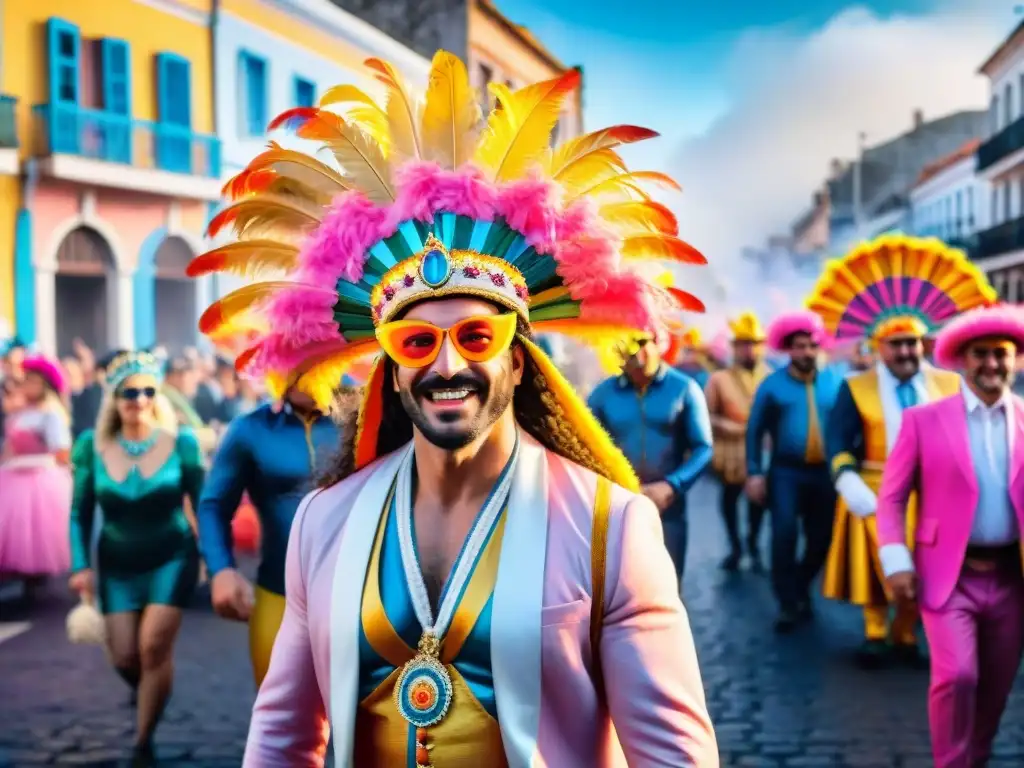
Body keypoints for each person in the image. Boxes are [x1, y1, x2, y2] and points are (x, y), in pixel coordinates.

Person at [192, 51, 719, 766]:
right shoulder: (325, 521)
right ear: (390, 361)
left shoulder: (613, 528)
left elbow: (675, 758)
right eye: (416, 341)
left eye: (476, 336)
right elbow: (282, 738)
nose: (447, 365)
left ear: (517, 353)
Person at [807, 234, 994, 668]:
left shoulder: (949, 383)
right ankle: (875, 632)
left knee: (928, 567)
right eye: (897, 344)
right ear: (878, 347)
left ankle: (906, 634)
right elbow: (839, 442)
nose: (907, 351)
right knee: (874, 567)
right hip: (874, 487)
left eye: (913, 343)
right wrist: (847, 479)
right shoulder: (856, 387)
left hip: (934, 492)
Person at [877, 304, 1024, 767]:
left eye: (1001, 354)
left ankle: (975, 755)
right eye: (980, 353)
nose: (992, 364)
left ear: (1015, 358)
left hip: (1011, 578)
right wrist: (897, 559)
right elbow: (892, 497)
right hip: (948, 576)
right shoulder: (924, 420)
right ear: (962, 358)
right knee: (958, 676)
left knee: (998, 684)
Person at [67, 351, 205, 766]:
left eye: (148, 390)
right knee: (127, 655)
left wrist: (217, 563)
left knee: (153, 646)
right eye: (130, 392)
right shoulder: (93, 447)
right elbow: (79, 512)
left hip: (172, 556)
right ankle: (154, 684)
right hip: (117, 567)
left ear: (157, 395)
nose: (139, 399)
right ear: (115, 397)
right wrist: (80, 566)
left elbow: (205, 506)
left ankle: (142, 743)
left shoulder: (181, 443)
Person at [196, 385, 339, 686]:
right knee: (281, 719)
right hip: (278, 595)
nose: (303, 369)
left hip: (360, 597)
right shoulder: (250, 429)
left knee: (360, 719)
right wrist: (221, 569)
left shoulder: (368, 412)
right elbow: (214, 505)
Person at [588, 332, 713, 584]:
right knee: (617, 589)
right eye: (627, 343)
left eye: (642, 342)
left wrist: (672, 485)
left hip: (668, 506)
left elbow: (703, 448)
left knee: (668, 586)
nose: (635, 352)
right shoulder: (602, 394)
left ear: (660, 344)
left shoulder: (684, 388)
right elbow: (582, 446)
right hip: (616, 505)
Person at [745, 311, 842, 632]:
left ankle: (801, 584)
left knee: (822, 539)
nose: (806, 352)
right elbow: (754, 431)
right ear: (789, 349)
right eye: (799, 346)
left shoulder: (836, 381)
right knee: (784, 534)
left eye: (812, 346)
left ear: (820, 347)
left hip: (825, 475)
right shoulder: (772, 386)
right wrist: (755, 472)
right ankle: (787, 602)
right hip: (786, 473)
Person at [704, 311, 771, 572]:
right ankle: (734, 545)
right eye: (744, 344)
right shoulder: (718, 379)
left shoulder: (770, 377)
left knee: (759, 500)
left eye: (754, 344)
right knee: (730, 498)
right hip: (730, 451)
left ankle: (753, 541)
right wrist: (730, 426)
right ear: (735, 348)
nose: (749, 350)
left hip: (762, 451)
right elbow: (707, 416)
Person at [0, 356, 73, 586]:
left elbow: (61, 449)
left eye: (34, 381)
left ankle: (35, 578)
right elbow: (9, 448)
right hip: (14, 475)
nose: (28, 386)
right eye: (26, 381)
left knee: (36, 533)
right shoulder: (17, 413)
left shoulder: (50, 414)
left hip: (41, 477)